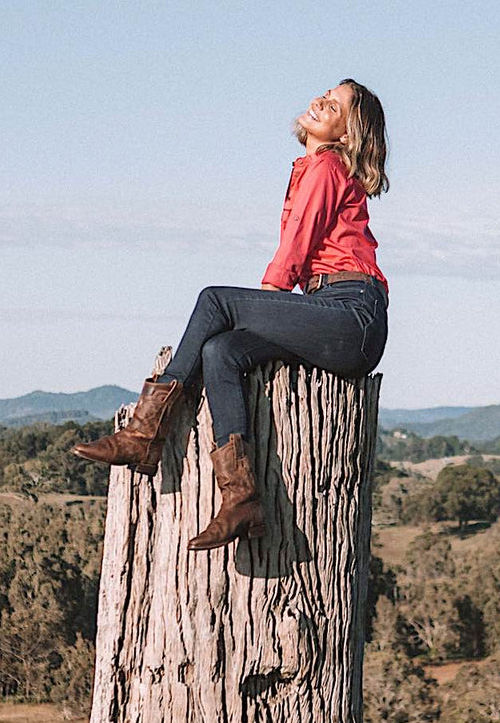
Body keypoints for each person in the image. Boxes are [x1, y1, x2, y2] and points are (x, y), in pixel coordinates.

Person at [73, 79, 389, 551]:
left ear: (348, 135)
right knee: (223, 351)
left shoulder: (326, 166)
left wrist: (260, 303)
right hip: (329, 313)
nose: (321, 99)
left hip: (351, 313)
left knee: (216, 301)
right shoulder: (310, 167)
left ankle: (144, 432)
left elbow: (295, 248)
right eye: (325, 92)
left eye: (336, 105)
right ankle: (241, 499)